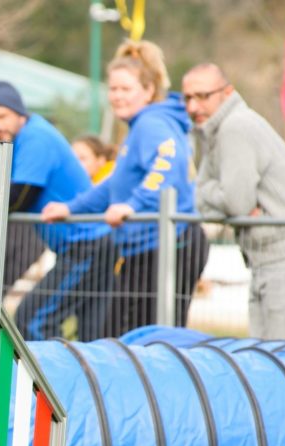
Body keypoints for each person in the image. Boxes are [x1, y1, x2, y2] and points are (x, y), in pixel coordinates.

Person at [42, 41, 209, 337]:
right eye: (113, 89)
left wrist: (133, 205)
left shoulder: (152, 123)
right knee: (121, 337)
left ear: (147, 91)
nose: (117, 96)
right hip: (143, 248)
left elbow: (167, 163)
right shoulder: (139, 128)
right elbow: (114, 184)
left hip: (170, 244)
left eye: (126, 89)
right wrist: (71, 208)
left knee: (151, 340)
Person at [0, 81, 116, 341]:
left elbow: (16, 199)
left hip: (86, 245)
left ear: (20, 113)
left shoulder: (36, 138)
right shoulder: (17, 144)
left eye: (2, 116)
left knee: (34, 321)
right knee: (88, 333)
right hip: (84, 245)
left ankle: (45, 382)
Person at [182, 63, 285, 341]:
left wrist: (217, 195)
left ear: (227, 93)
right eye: (187, 97)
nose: (193, 106)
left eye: (203, 95)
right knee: (268, 364)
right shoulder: (214, 132)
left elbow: (235, 202)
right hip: (269, 263)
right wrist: (219, 194)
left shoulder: (236, 127)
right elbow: (200, 197)